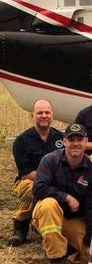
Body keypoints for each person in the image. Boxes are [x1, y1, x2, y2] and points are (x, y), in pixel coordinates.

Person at [31, 123, 92, 264]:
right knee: (48, 205)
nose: (75, 143)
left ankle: (63, 242)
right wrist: (65, 197)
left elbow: (91, 207)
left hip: (71, 220)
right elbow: (38, 189)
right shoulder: (49, 160)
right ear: (64, 141)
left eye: (79, 139)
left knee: (91, 256)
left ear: (86, 141)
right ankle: (57, 260)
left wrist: (88, 242)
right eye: (71, 139)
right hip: (46, 214)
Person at [7, 100, 64, 247]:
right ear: (32, 115)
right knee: (33, 188)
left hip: (58, 181)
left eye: (47, 112)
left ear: (52, 115)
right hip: (28, 181)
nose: (43, 115)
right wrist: (50, 181)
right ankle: (21, 224)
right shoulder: (21, 141)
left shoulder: (62, 139)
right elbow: (26, 173)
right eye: (39, 113)